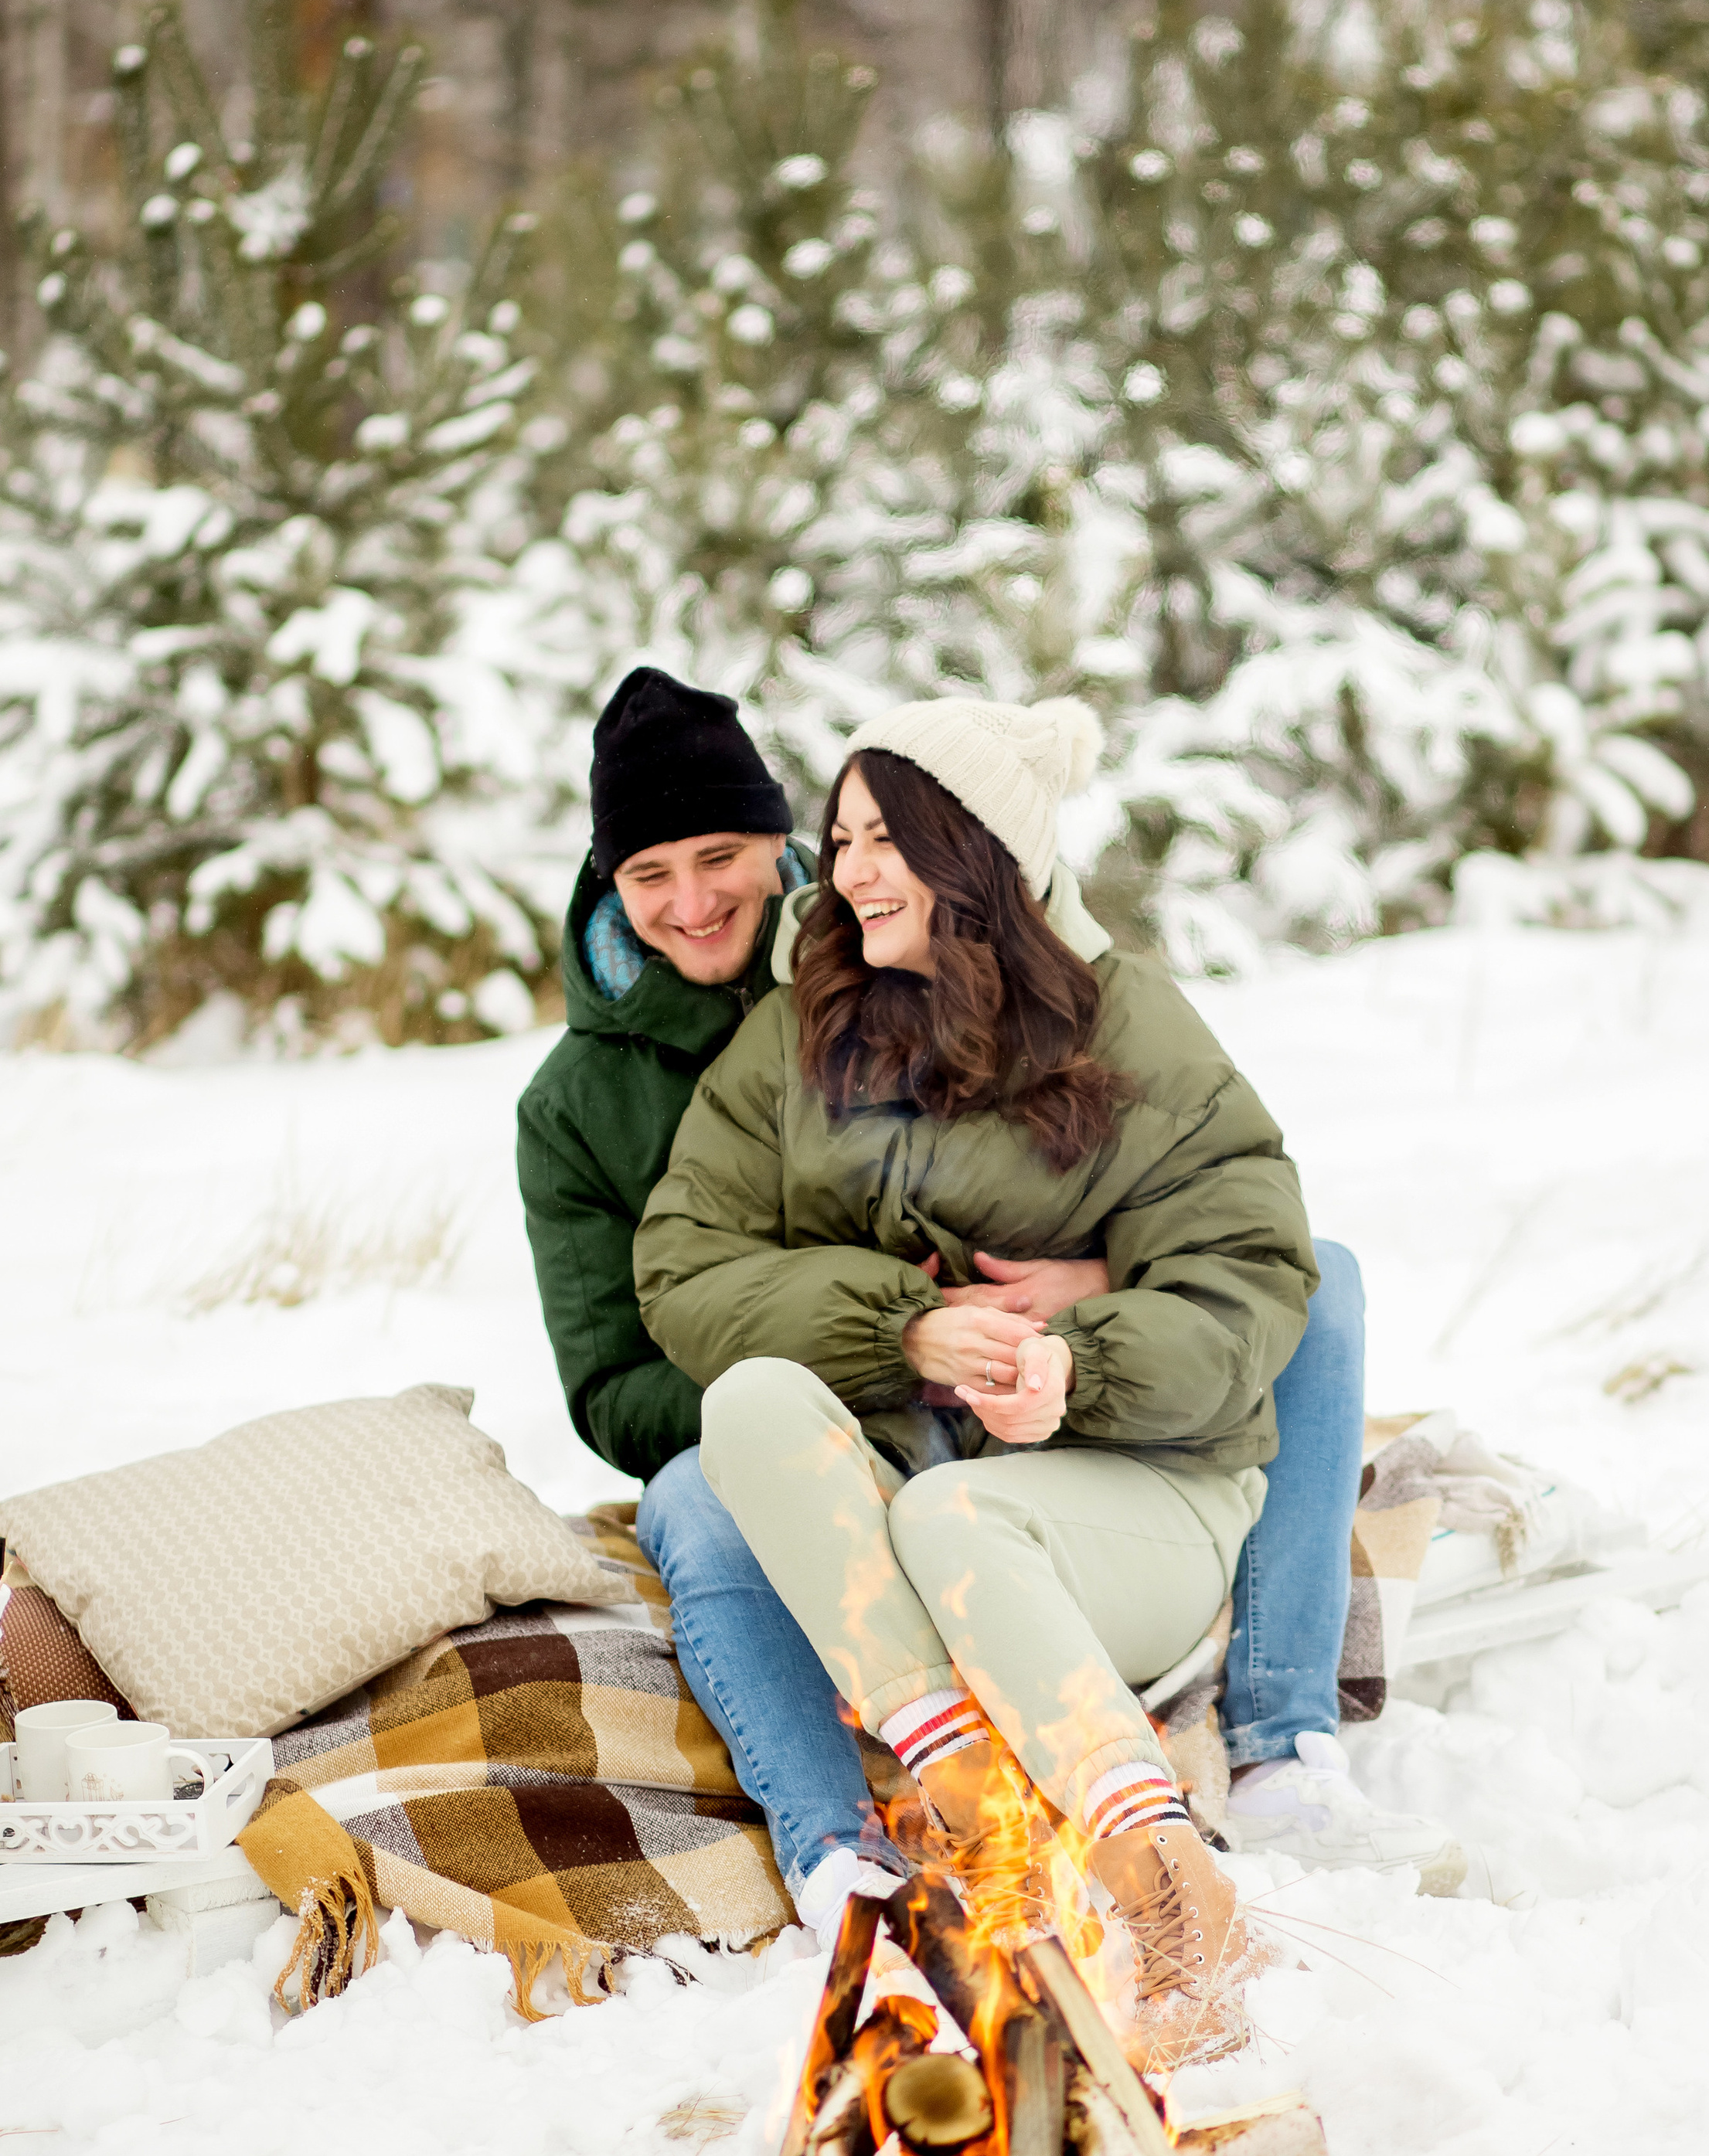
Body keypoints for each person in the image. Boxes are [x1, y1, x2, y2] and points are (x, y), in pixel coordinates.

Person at [519, 668, 1456, 1960]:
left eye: (729, 857)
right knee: (719, 1458)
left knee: (1306, 1286)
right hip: (836, 1423)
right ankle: (851, 1839)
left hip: (1060, 1431)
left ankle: (1272, 1742)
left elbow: (1237, 1246)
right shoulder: (683, 1070)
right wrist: (889, 1345)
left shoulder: (1067, 1007)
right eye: (650, 877)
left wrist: (1086, 1314)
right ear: (608, 888)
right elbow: (652, 1324)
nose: (693, 903)